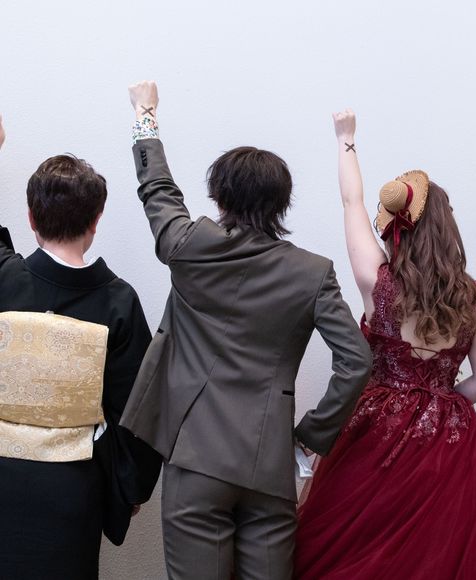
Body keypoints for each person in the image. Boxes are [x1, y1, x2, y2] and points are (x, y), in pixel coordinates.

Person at [119, 82, 372, 580]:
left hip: (195, 459)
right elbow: (357, 361)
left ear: (219, 196)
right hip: (268, 466)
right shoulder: (313, 273)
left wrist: (145, 114)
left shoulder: (190, 246)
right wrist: (310, 437)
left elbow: (158, 189)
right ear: (282, 204)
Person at [294, 109, 476, 579]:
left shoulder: (379, 284)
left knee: (359, 548)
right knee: (444, 554)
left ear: (396, 229)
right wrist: (439, 399)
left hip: (376, 431)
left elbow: (351, 202)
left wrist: (346, 138)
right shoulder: (475, 298)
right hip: (449, 439)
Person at [0, 114, 161, 579]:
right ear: (96, 220)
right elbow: (139, 410)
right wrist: (130, 488)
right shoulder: (118, 302)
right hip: (72, 487)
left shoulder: (4, 279)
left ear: (30, 219)